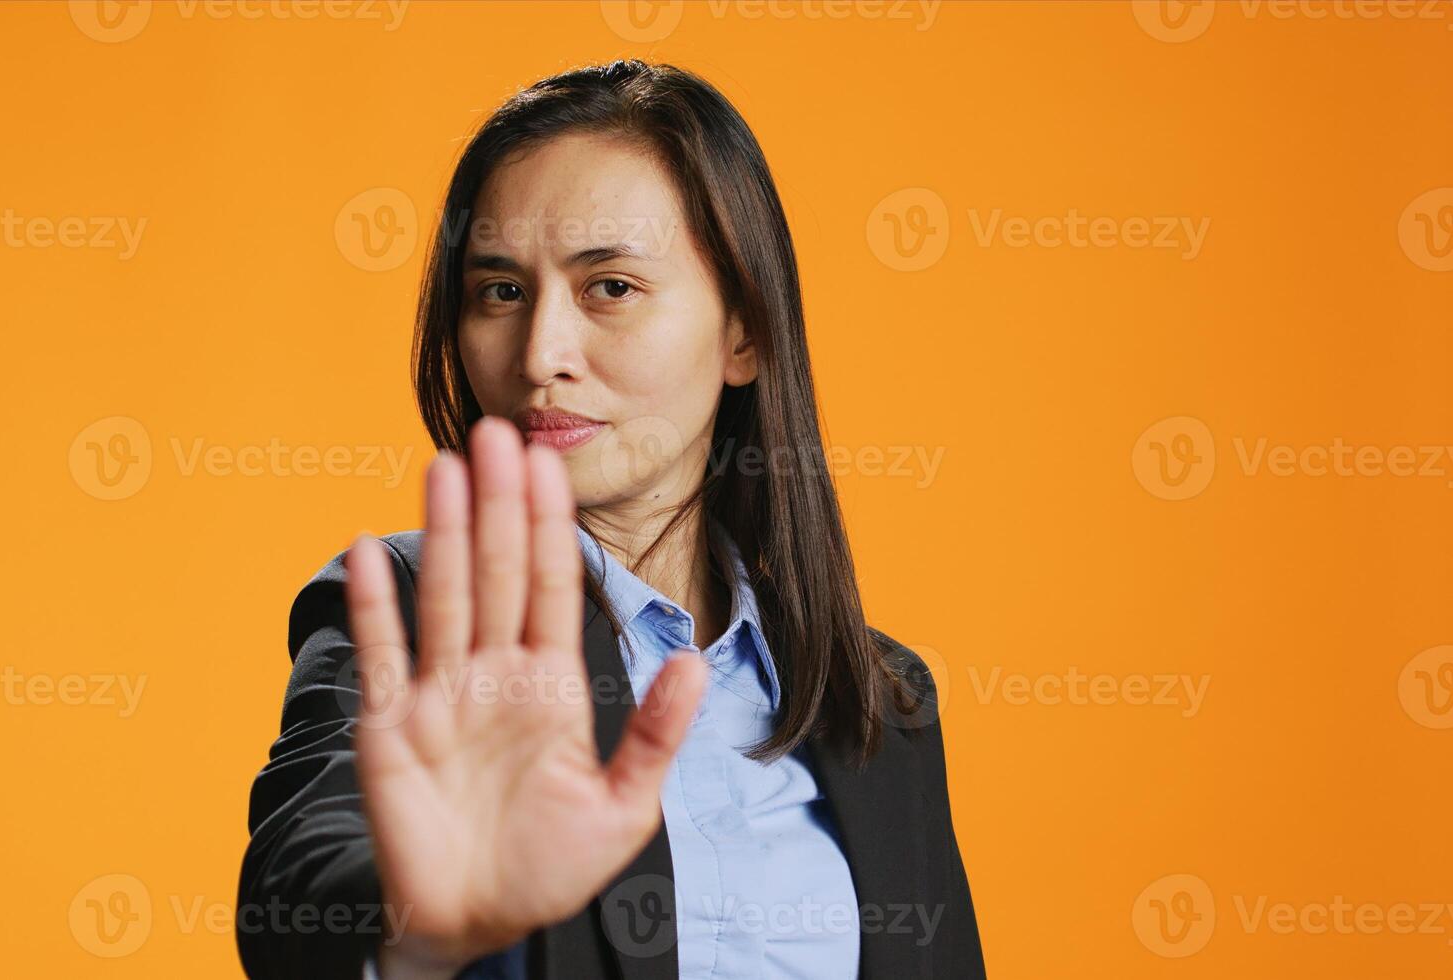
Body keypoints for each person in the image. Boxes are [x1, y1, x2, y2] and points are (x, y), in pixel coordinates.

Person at [238, 60, 984, 980]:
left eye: (611, 288)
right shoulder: (404, 606)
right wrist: (420, 919)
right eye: (500, 292)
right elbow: (296, 897)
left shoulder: (877, 694)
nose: (541, 353)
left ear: (742, 334)